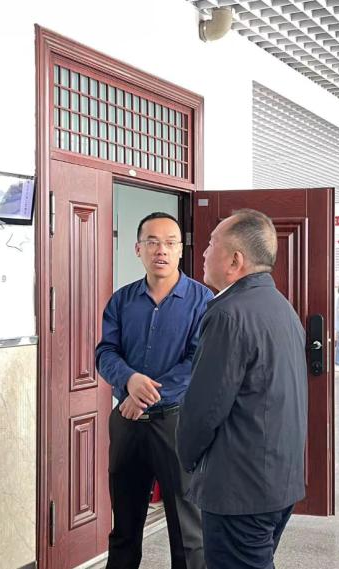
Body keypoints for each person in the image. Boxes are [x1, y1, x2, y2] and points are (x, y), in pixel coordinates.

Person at [177, 209, 307, 569]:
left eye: (211, 244)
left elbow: (205, 408)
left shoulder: (229, 314)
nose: (204, 253)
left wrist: (186, 459)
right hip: (277, 480)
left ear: (235, 260)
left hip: (240, 487)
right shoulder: (280, 306)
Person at [95, 212, 213, 569]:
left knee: (188, 531)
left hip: (176, 424)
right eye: (152, 242)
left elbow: (198, 361)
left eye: (169, 243)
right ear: (138, 249)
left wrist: (142, 398)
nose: (161, 250)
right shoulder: (122, 300)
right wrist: (129, 380)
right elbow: (105, 352)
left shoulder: (202, 300)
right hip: (128, 424)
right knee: (124, 525)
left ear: (180, 250)